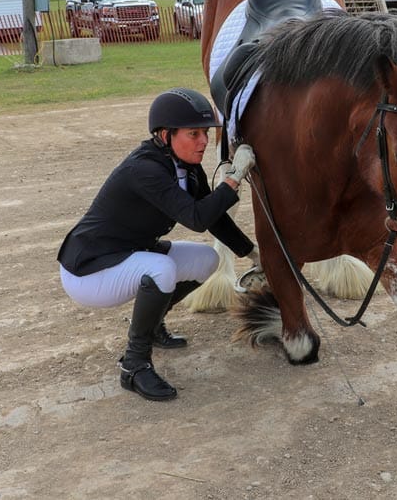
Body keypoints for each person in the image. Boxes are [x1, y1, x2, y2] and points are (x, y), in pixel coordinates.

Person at [58, 88, 257, 402]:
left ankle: (154, 324)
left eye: (205, 133)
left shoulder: (187, 166)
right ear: (166, 135)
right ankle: (134, 366)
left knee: (206, 260)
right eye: (194, 133)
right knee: (162, 269)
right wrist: (232, 179)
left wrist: (252, 253)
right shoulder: (145, 169)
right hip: (88, 271)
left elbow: (213, 215)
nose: (204, 141)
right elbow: (196, 218)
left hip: (128, 252)